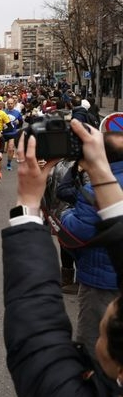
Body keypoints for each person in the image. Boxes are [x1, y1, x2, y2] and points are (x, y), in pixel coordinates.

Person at [3, 119, 123, 397]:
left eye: (104, 335)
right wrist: (98, 172)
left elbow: (36, 329)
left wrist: (29, 204)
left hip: (96, 279)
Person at [60, 132, 123, 353]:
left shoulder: (95, 189)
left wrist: (66, 213)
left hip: (101, 283)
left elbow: (77, 232)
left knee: (93, 342)